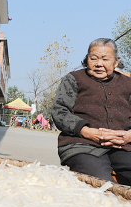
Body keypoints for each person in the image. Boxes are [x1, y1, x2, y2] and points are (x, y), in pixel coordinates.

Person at [51, 38, 131, 184]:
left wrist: (128, 136)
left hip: (123, 146)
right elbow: (59, 112)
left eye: (105, 59)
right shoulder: (74, 79)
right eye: (93, 58)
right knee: (102, 186)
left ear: (116, 61)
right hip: (81, 145)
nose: (99, 63)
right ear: (87, 58)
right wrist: (87, 131)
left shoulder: (128, 84)